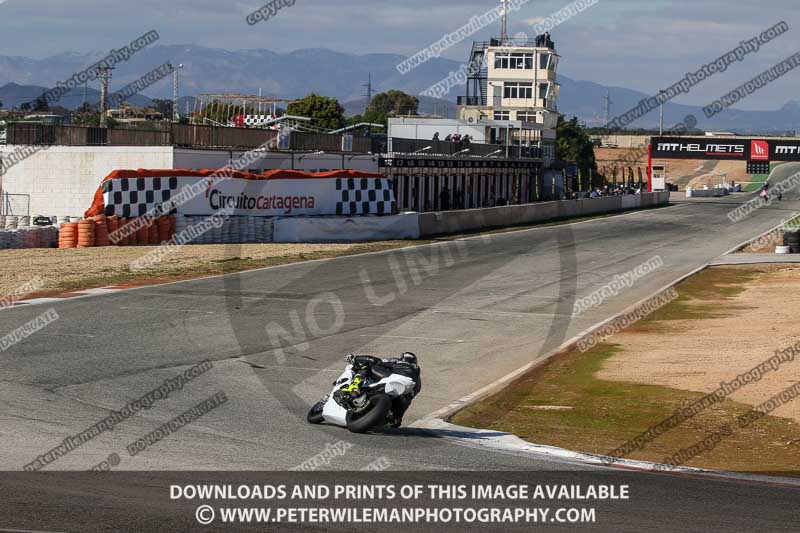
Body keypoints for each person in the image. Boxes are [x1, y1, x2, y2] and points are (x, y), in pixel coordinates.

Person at [345, 353, 421, 428]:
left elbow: (375, 360)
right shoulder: (417, 378)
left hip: (393, 379)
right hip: (404, 389)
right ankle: (392, 419)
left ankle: (354, 386)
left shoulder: (397, 361)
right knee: (403, 404)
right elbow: (408, 400)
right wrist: (398, 417)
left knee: (367, 365)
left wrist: (355, 359)